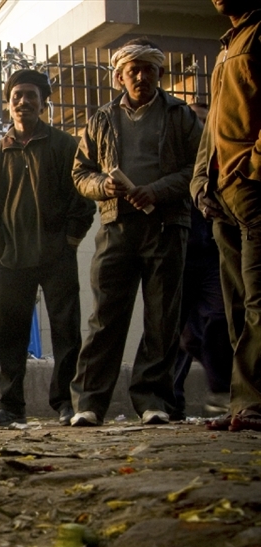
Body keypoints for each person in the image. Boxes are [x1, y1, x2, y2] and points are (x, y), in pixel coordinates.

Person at [70, 39, 203, 427]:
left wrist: (158, 190)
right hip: (116, 225)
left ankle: (152, 401)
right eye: (134, 71)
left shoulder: (180, 114)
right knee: (105, 316)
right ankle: (89, 404)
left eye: (148, 69)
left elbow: (198, 166)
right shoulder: (101, 118)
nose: (141, 76)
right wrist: (102, 186)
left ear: (160, 73)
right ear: (119, 77)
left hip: (166, 224)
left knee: (162, 317)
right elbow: (80, 173)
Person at [0, 69, 95, 428]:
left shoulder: (64, 146)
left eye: (31, 95)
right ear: (8, 103)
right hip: (11, 259)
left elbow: (82, 201)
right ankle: (11, 407)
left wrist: (70, 241)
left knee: (65, 330)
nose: (23, 102)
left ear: (43, 102)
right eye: (17, 96)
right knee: (9, 335)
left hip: (56, 256)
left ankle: (66, 404)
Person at [191, 0, 261, 432]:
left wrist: (251, 166)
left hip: (251, 188)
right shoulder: (227, 46)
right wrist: (201, 181)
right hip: (221, 195)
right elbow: (214, 126)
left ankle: (253, 405)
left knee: (258, 301)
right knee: (236, 308)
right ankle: (244, 405)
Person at [173, 103, 232, 419]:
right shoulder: (176, 162)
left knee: (216, 323)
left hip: (212, 255)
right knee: (180, 334)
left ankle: (222, 391)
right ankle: (172, 400)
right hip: (180, 253)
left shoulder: (220, 160)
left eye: (203, 122)